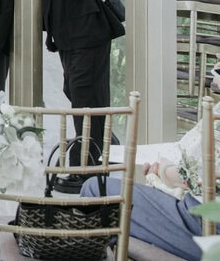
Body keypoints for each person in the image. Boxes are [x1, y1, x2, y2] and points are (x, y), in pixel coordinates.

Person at [33, 0, 117, 192]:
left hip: (90, 32)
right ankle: (106, 150)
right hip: (68, 34)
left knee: (85, 96)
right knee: (78, 91)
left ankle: (86, 168)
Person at [80, 102, 219, 260]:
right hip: (202, 218)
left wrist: (163, 171)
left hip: (204, 225)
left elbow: (196, 176)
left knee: (95, 190)